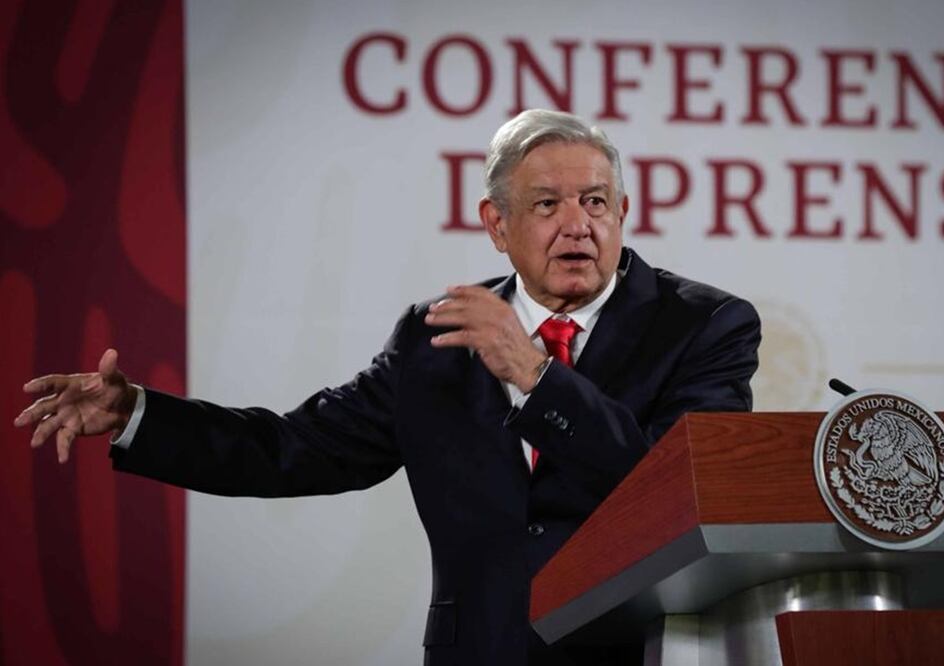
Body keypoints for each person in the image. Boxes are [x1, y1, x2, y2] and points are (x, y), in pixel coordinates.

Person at [15, 109, 761, 665]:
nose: (578, 225)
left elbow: (680, 488)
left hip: (634, 654)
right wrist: (138, 413)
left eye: (597, 202)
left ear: (624, 213)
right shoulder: (436, 337)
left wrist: (534, 376)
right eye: (547, 205)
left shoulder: (704, 326)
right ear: (496, 226)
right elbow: (298, 448)